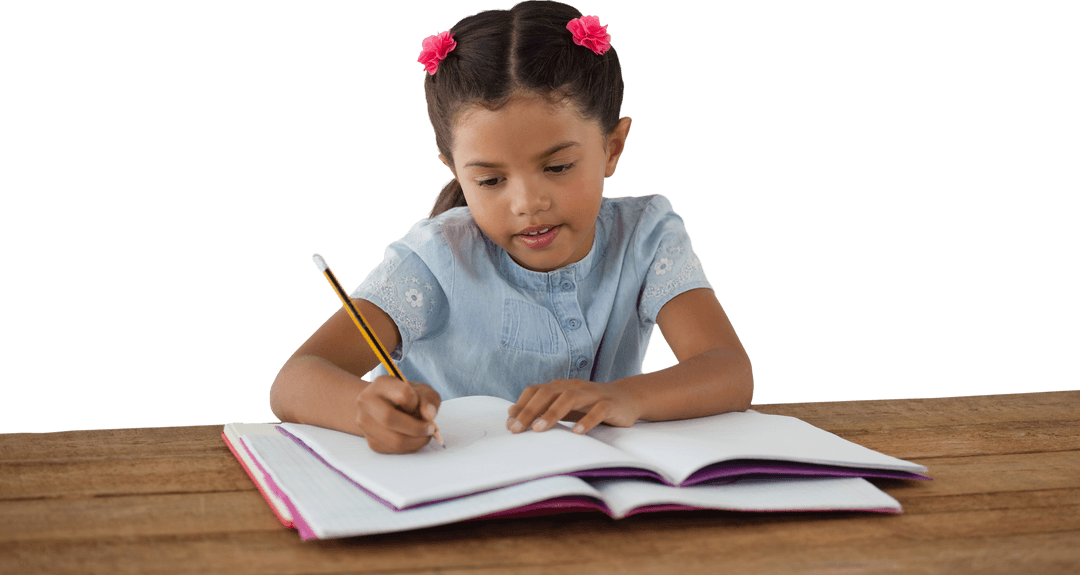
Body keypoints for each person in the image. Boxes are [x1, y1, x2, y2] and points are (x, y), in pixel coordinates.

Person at [269, 0, 753, 454]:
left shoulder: (646, 235)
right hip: (450, 491)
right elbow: (294, 380)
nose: (528, 203)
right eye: (491, 179)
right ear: (456, 172)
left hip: (589, 493)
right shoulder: (438, 256)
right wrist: (363, 412)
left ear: (613, 147)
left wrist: (625, 397)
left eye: (558, 167)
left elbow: (728, 370)